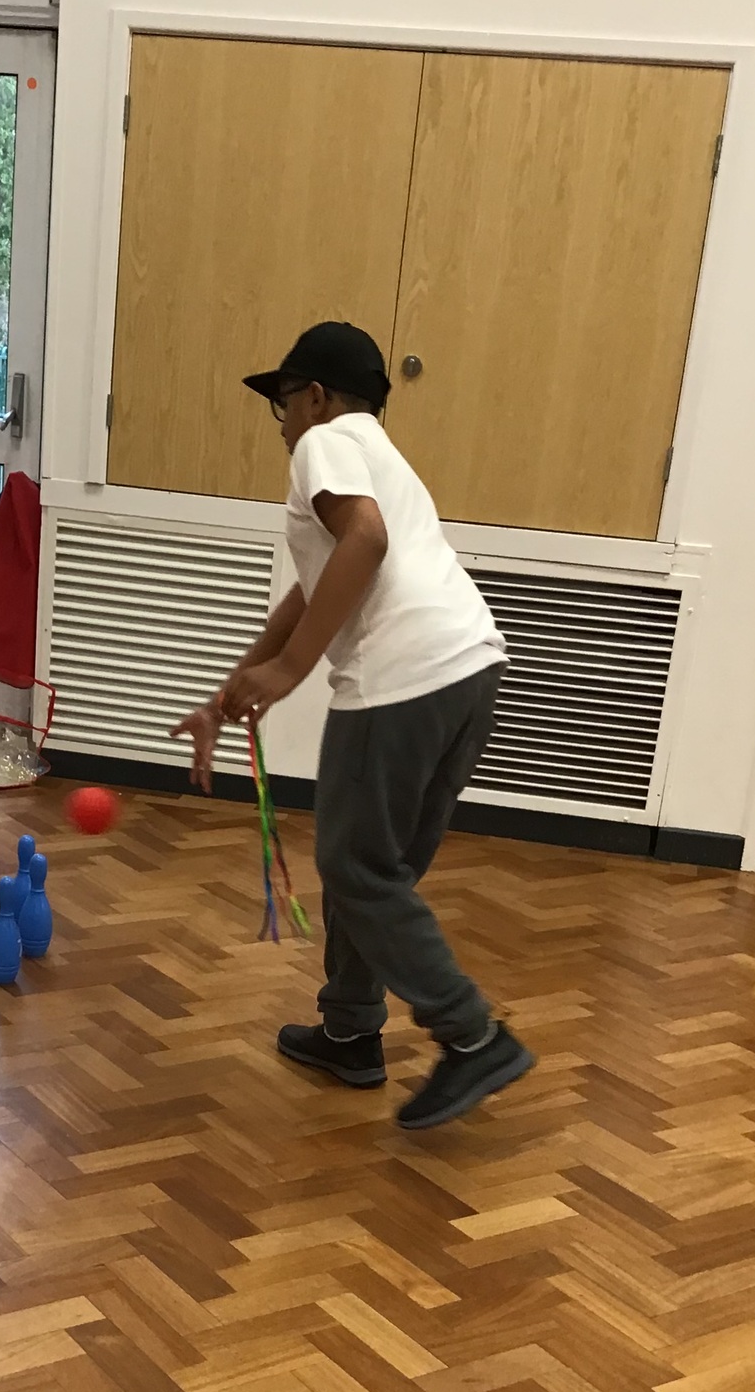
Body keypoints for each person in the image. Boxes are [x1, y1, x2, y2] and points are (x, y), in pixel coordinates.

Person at [172, 321, 535, 1131]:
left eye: (283, 405)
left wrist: (292, 672)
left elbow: (363, 543)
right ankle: (349, 1032)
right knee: (375, 871)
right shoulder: (380, 455)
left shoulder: (326, 442)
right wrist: (231, 693)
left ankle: (472, 1037)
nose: (283, 426)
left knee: (355, 867)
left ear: (315, 396)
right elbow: (313, 588)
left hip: (400, 681)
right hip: (470, 671)